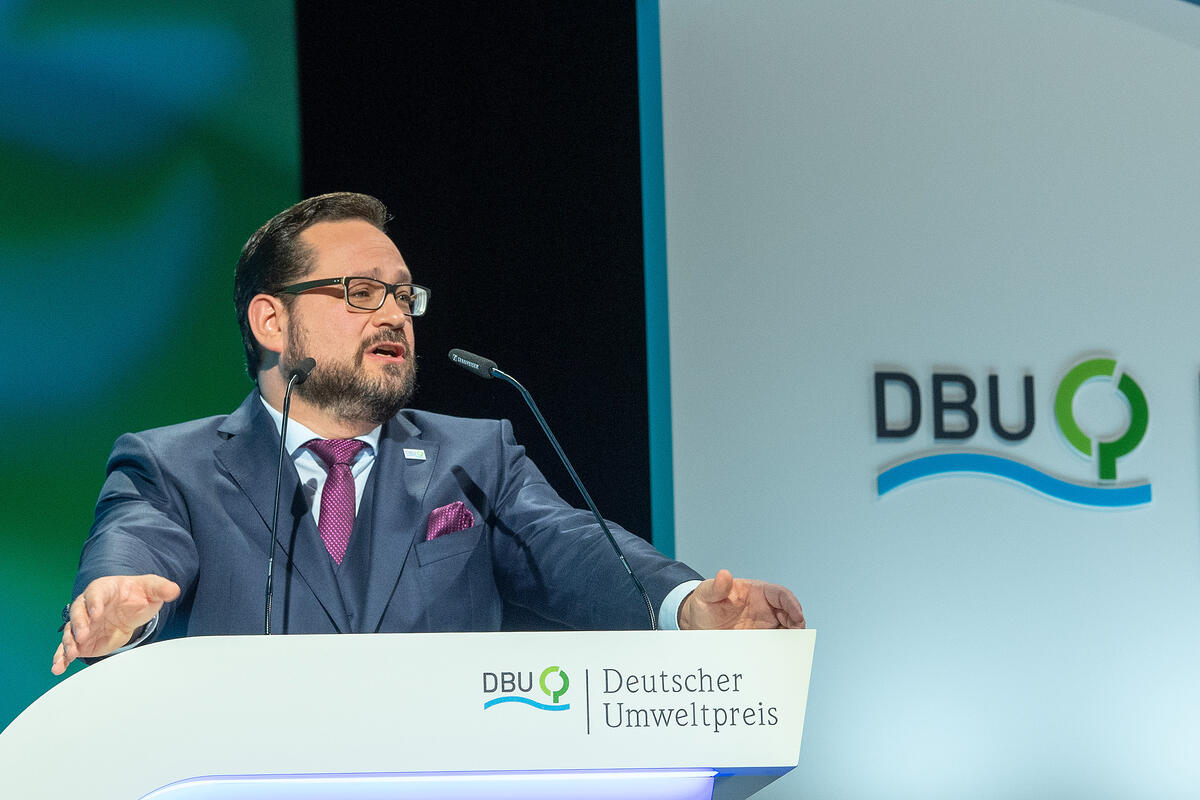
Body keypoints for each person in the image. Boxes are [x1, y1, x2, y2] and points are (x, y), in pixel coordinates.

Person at [52, 192, 804, 676]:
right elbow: (135, 551)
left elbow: (571, 548)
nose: (393, 315)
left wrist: (685, 604)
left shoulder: (476, 458)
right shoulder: (172, 465)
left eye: (403, 296)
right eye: (361, 292)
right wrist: (115, 603)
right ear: (271, 321)